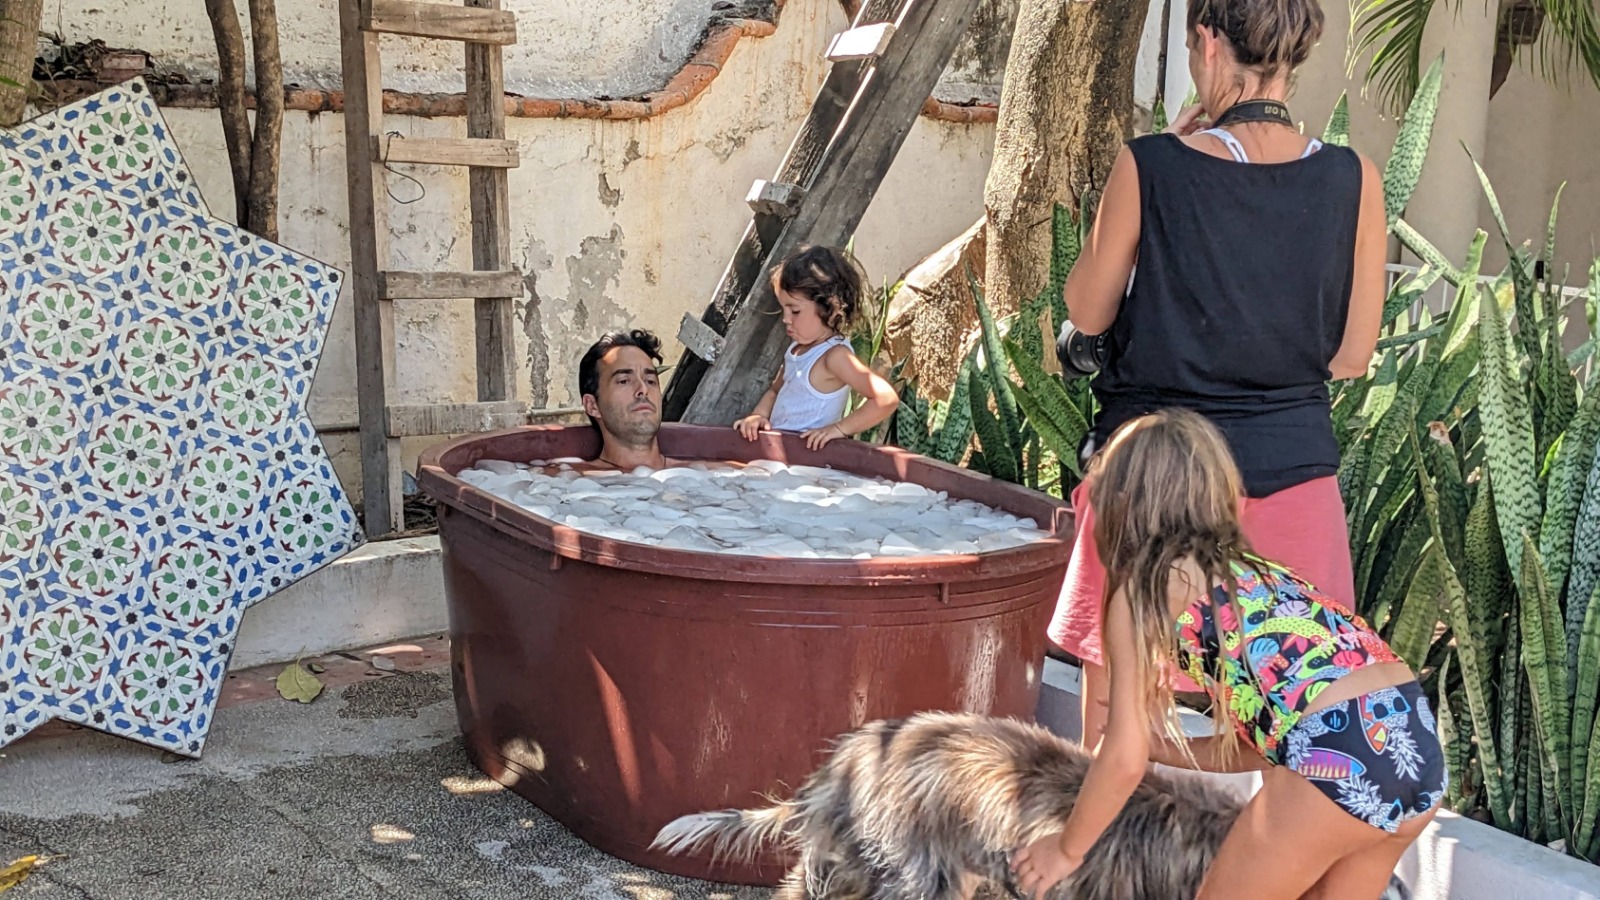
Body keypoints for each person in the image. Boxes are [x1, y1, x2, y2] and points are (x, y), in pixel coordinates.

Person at [1047, 0, 1389, 749]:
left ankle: (1103, 860)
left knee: (1115, 731)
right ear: (1293, 55)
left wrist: (1164, 162)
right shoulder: (1353, 178)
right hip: (1294, 477)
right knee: (1285, 736)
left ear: (1206, 41)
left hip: (1156, 475)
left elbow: (1087, 309)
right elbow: (1351, 356)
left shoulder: (1152, 165)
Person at [1013, 409, 1444, 900]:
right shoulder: (1261, 577)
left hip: (1339, 751)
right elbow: (1285, 739)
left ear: (1120, 501)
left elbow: (1122, 759)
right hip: (1412, 737)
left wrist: (1067, 850)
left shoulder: (1145, 588)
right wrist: (1166, 748)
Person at [733, 246, 899, 451]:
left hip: (806, 464)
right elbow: (775, 391)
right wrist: (758, 415)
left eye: (795, 311)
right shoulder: (796, 349)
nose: (786, 319)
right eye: (783, 309)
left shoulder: (835, 357)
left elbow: (886, 398)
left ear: (830, 308)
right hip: (778, 456)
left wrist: (838, 429)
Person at [576, 329, 676, 471]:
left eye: (650, 381)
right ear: (592, 405)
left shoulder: (708, 473)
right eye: (624, 381)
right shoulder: (562, 481)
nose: (643, 389)